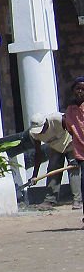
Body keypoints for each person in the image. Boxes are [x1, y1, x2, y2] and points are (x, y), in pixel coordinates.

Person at [28, 112, 81, 210]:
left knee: (73, 169)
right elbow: (38, 154)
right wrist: (35, 175)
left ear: (46, 123)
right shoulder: (33, 134)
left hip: (70, 143)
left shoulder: (58, 119)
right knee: (52, 170)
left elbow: (74, 130)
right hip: (55, 148)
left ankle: (77, 200)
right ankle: (49, 200)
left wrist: (76, 153)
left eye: (42, 129)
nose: (41, 133)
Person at [63, 76, 84, 224]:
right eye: (78, 89)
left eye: (83, 89)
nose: (80, 92)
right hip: (81, 152)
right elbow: (70, 129)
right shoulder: (70, 110)